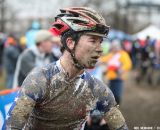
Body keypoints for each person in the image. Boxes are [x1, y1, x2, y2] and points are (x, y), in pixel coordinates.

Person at [4, 7, 128, 130]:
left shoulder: (97, 88)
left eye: (100, 41)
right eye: (93, 40)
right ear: (70, 43)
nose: (100, 49)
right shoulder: (39, 80)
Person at [100, 39, 132, 104]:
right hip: (110, 77)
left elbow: (128, 64)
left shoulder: (123, 54)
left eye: (115, 46)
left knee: (117, 94)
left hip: (118, 77)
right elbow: (103, 59)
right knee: (111, 93)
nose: (113, 48)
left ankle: (117, 106)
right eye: (112, 46)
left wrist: (122, 69)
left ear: (119, 46)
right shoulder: (111, 54)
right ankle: (112, 105)